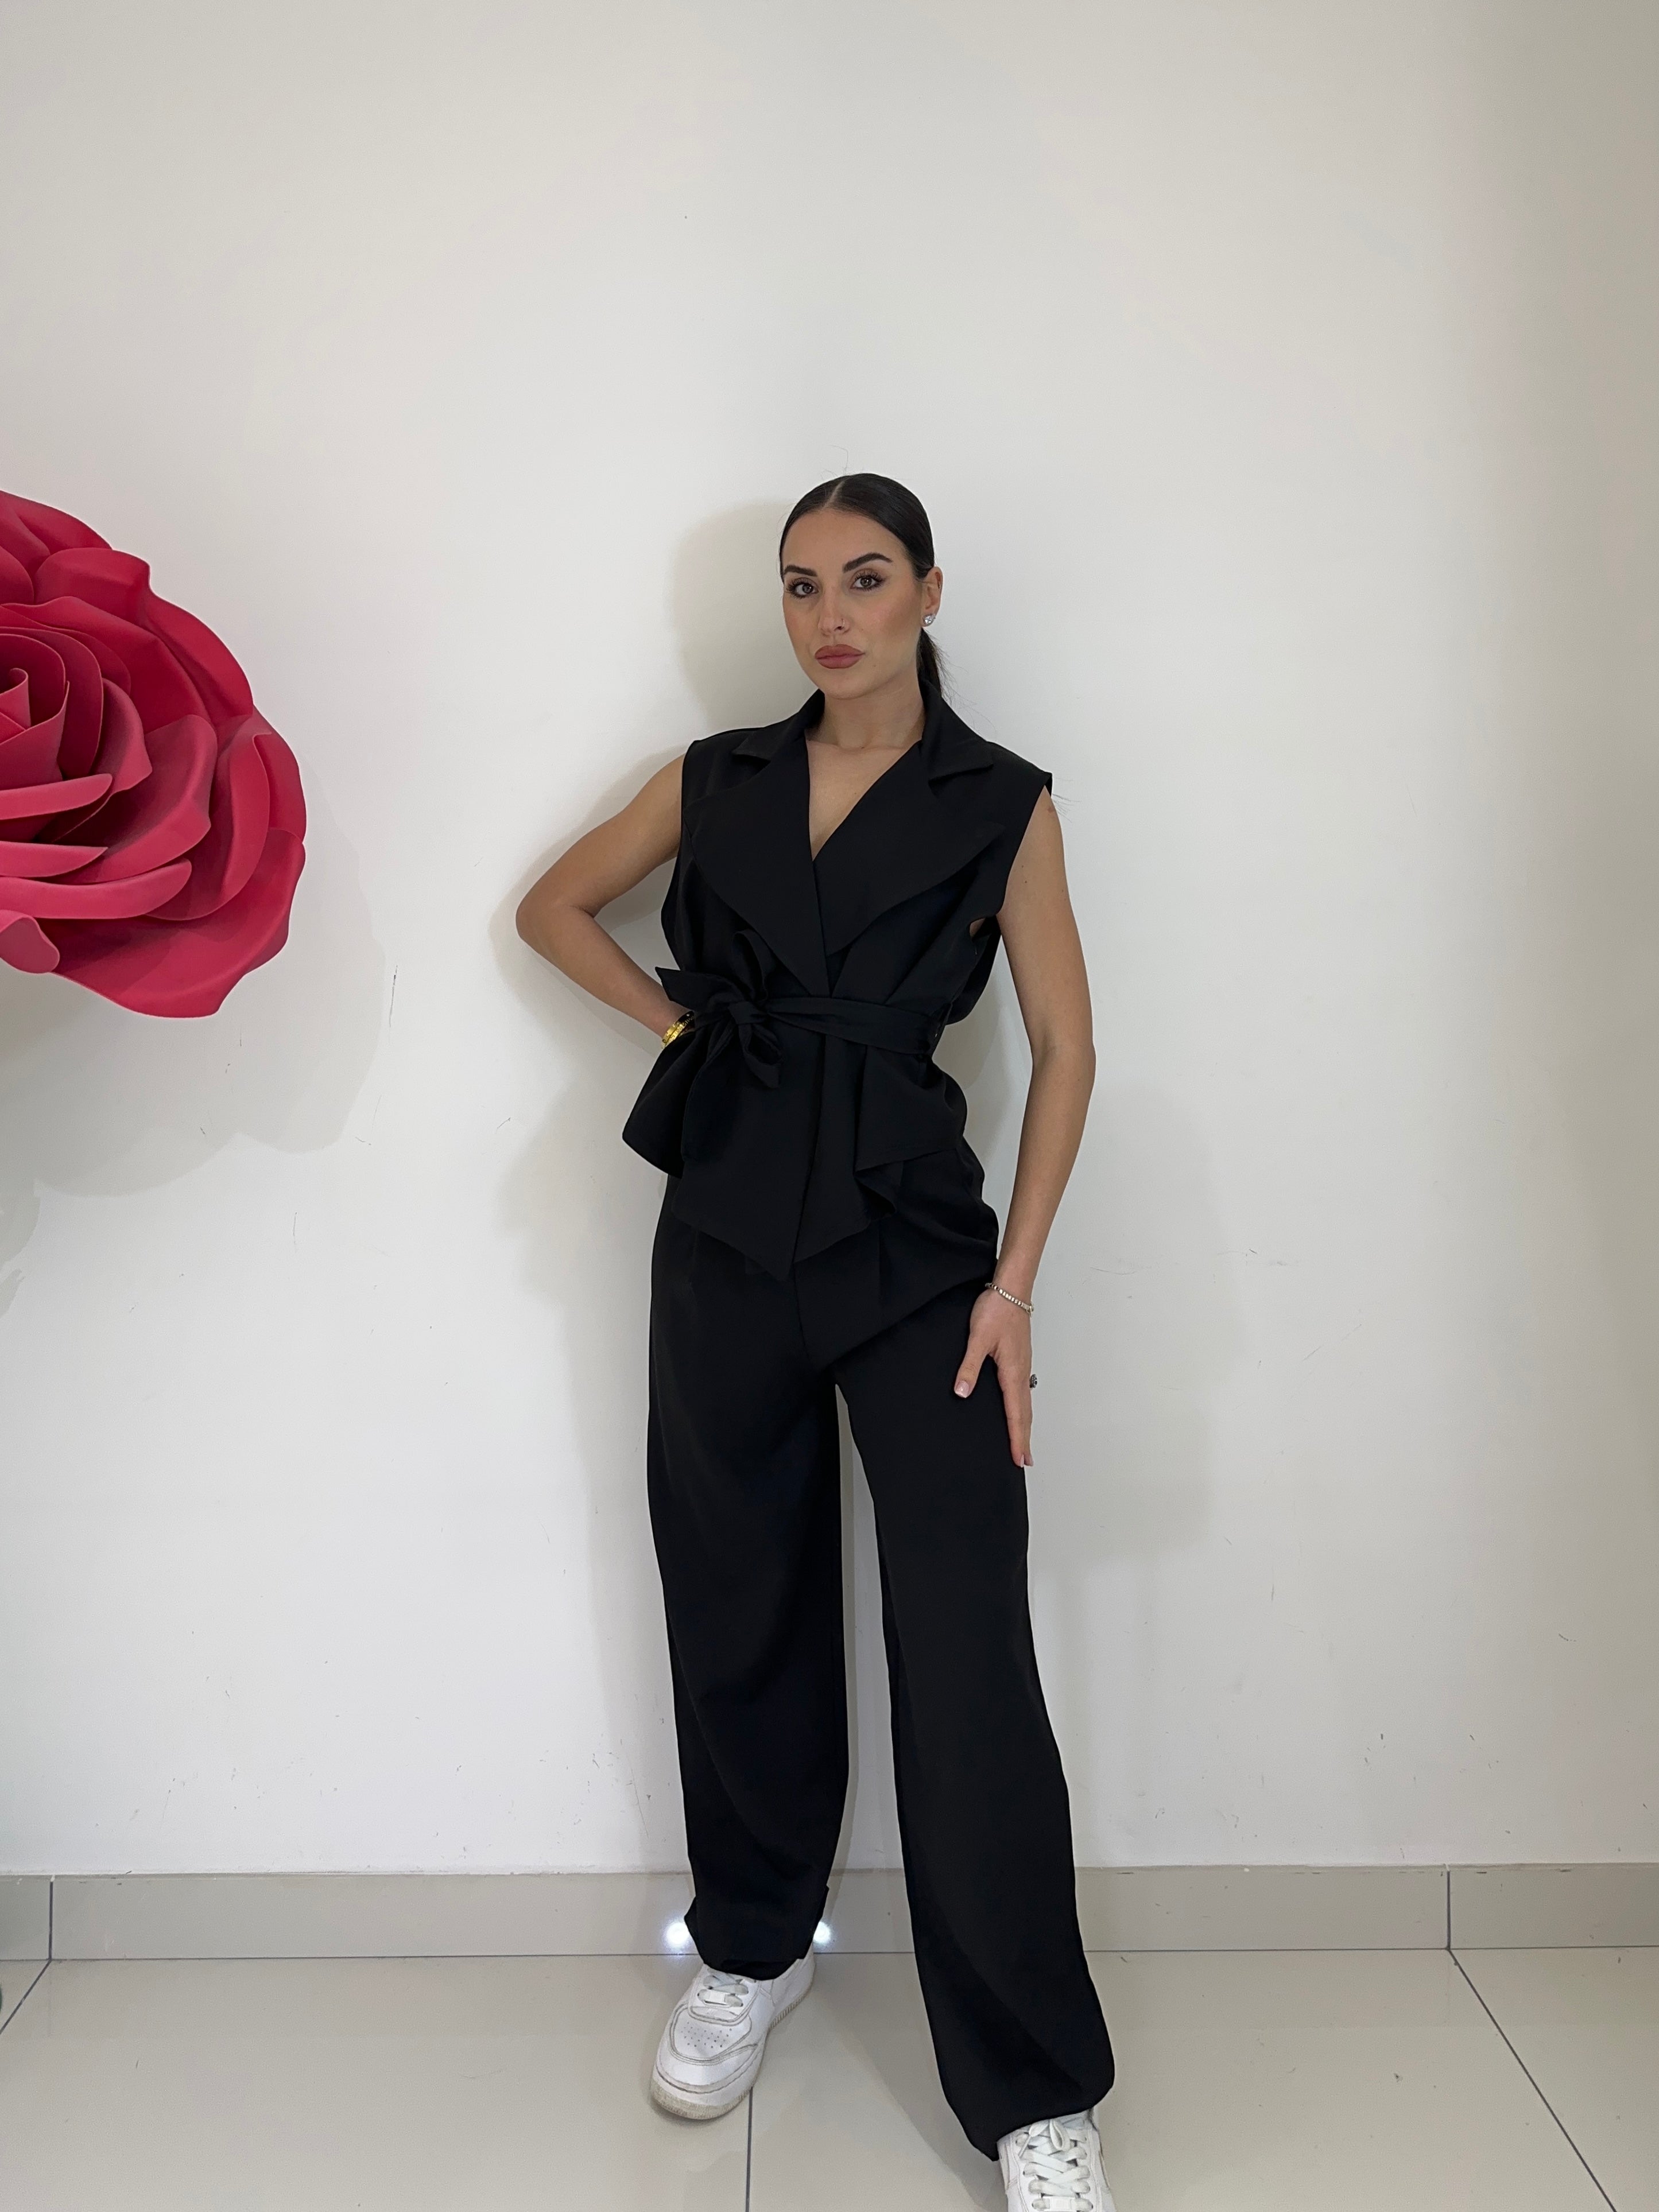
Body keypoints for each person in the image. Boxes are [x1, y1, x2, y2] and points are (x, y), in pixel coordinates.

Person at [515, 473, 1117, 2211]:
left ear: (927, 589)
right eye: (799, 586)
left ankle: (1033, 2092)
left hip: (918, 1254)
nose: (829, 615)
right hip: (722, 1236)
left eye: (863, 578)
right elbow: (553, 908)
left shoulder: (999, 801)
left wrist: (1012, 1288)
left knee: (965, 1647)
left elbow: (1067, 1051)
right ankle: (753, 1947)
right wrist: (678, 1029)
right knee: (736, 1599)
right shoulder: (715, 779)